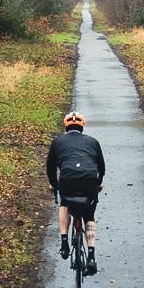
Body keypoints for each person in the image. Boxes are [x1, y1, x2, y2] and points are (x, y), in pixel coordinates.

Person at [45, 111, 106, 275]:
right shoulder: (93, 141)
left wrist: (54, 185)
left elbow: (50, 168)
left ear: (66, 126)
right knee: (89, 216)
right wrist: (98, 183)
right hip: (89, 181)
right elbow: (101, 167)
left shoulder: (57, 142)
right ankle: (91, 256)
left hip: (68, 181)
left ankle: (64, 241)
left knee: (64, 204)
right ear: (82, 126)